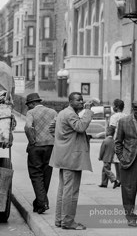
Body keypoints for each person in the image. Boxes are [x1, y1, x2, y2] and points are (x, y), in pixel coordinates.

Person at [49, 92, 94, 230]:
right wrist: (88, 111)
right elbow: (80, 127)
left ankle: (59, 219)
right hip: (72, 158)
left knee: (63, 190)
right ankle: (68, 221)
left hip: (65, 156)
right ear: (70, 101)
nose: (81, 102)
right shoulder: (70, 114)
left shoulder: (63, 112)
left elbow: (52, 128)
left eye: (82, 100)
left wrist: (63, 140)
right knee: (71, 191)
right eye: (78, 100)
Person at [24, 93, 57, 214]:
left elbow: (28, 127)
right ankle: (39, 202)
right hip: (50, 147)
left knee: (36, 174)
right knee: (46, 174)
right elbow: (57, 127)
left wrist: (32, 141)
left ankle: (42, 202)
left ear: (33, 104)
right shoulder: (53, 112)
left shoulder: (31, 113)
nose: (28, 107)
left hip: (36, 147)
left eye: (28, 105)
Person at [109, 99, 127, 188]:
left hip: (117, 140)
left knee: (116, 160)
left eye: (113, 105)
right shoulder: (126, 116)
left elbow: (112, 128)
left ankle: (119, 178)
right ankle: (123, 178)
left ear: (116, 107)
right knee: (123, 159)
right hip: (126, 140)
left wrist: (109, 138)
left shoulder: (114, 116)